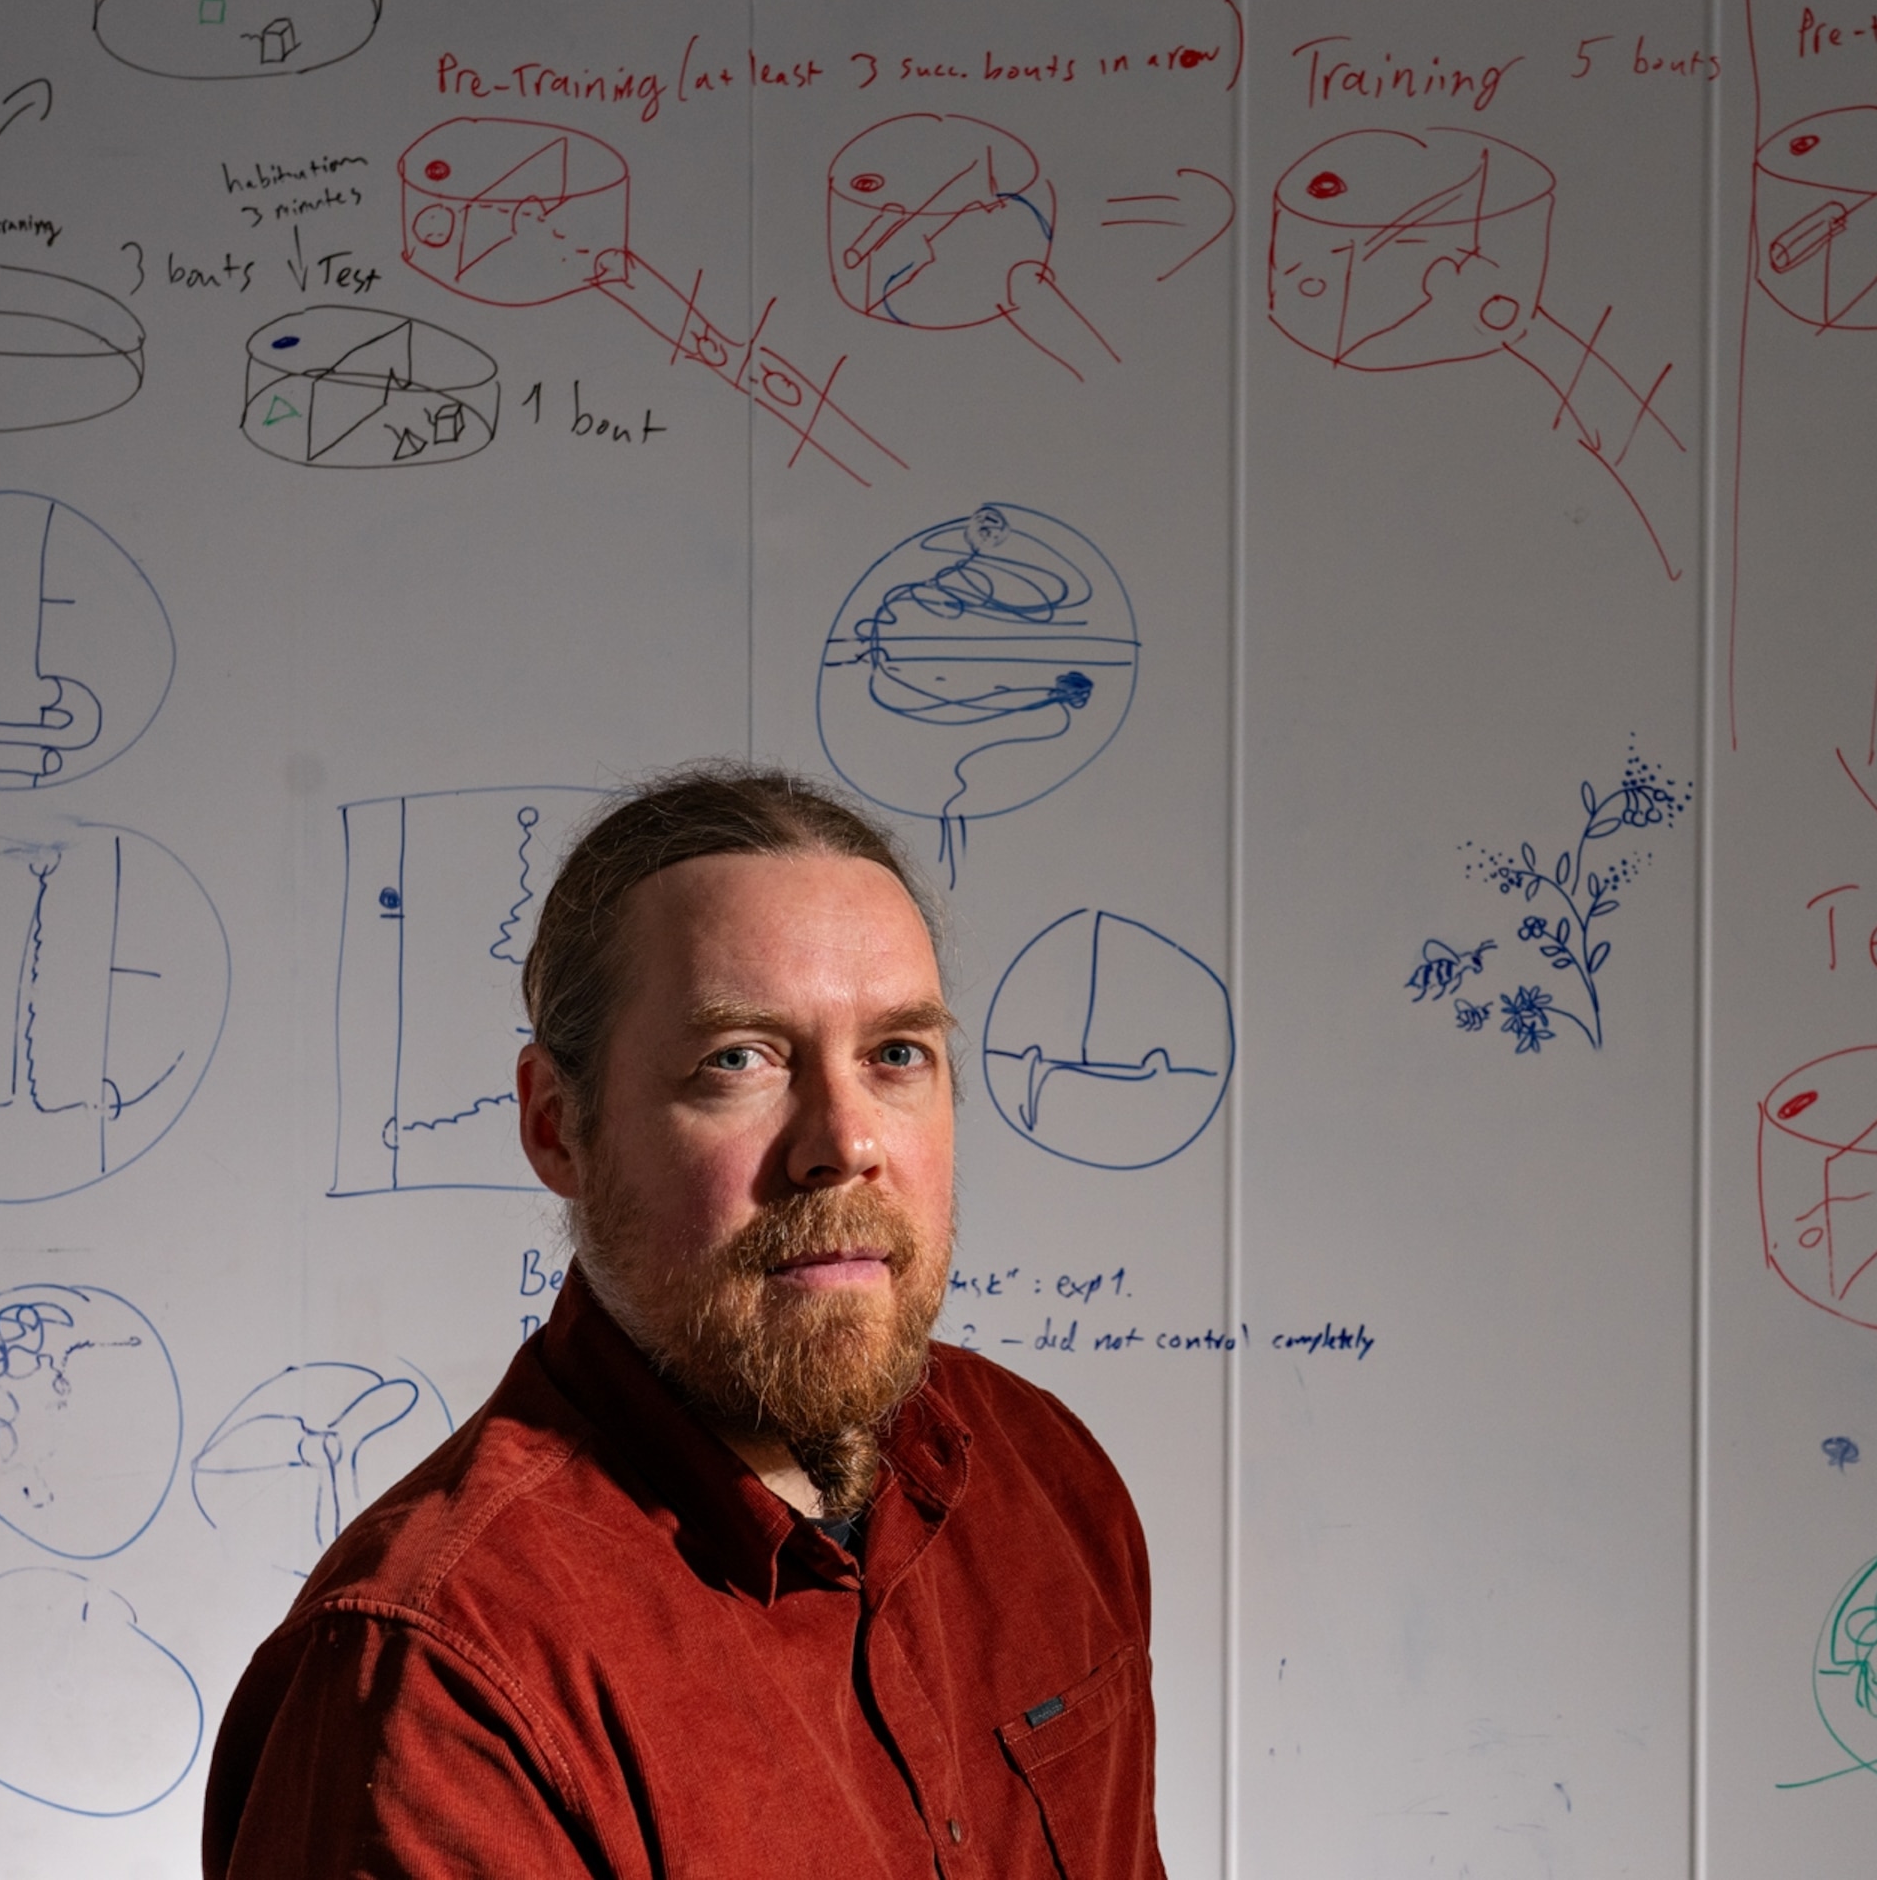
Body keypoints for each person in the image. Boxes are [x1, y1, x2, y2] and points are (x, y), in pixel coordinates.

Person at [202, 765, 1163, 1877]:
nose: (843, 1143)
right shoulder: (442, 1676)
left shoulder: (1044, 1476)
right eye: (739, 1060)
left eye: (897, 1054)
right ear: (558, 1127)